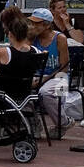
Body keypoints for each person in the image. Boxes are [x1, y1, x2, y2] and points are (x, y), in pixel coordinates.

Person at [28, 7, 72, 137]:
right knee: (21, 89)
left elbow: (64, 67)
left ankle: (64, 122)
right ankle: (34, 123)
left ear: (46, 25)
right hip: (37, 76)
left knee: (45, 92)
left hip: (60, 76)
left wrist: (43, 80)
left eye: (37, 23)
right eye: (32, 22)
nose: (33, 26)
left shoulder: (60, 38)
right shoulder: (31, 38)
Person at [0, 9, 38, 100]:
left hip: (3, 93)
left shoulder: (3, 52)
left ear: (10, 34)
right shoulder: (36, 51)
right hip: (25, 92)